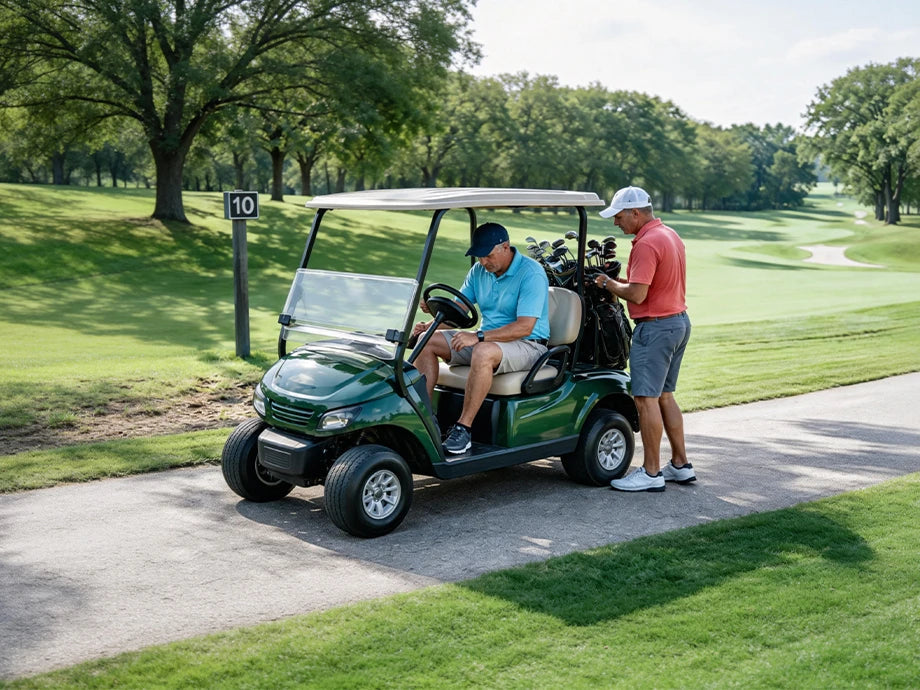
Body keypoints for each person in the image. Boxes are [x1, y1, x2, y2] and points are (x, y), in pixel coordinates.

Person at [413, 222, 550, 454]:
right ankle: (423, 419)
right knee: (426, 340)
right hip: (488, 341)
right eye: (479, 257)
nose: (483, 262)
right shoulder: (479, 271)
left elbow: (525, 327)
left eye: (487, 256)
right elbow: (457, 311)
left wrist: (478, 336)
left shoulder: (531, 273)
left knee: (482, 351)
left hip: (528, 345)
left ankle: (463, 429)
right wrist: (431, 323)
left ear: (505, 247)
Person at [594, 186, 694, 492]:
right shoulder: (668, 234)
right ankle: (680, 465)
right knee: (665, 395)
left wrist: (607, 283)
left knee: (645, 399)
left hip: (655, 329)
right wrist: (620, 281)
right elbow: (645, 284)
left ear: (636, 213)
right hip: (677, 322)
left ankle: (651, 473)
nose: (616, 223)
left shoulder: (647, 243)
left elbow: (637, 294)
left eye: (620, 216)